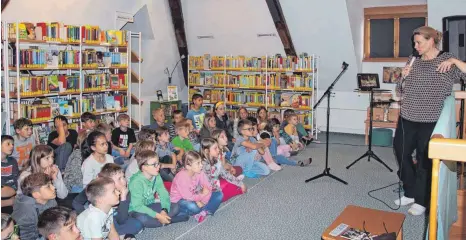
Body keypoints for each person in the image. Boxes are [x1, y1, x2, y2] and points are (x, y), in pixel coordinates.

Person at [393, 26, 466, 216]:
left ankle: (421, 199)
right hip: (407, 116)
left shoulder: (446, 60)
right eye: (414, 42)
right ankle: (409, 191)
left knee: (425, 160)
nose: (415, 46)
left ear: (431, 41)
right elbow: (400, 91)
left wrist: (455, 60)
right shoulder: (413, 59)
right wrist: (403, 77)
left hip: (431, 119)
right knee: (401, 152)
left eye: (419, 42)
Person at [128, 150, 189, 228]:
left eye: (158, 163)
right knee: (143, 219)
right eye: (154, 165)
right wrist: (157, 216)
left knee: (175, 207)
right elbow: (137, 206)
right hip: (137, 210)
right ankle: (169, 220)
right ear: (144, 167)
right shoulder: (136, 181)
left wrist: (164, 210)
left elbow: (164, 194)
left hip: (150, 204)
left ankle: (164, 220)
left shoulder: (156, 175)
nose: (158, 167)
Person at [170, 151, 219, 223]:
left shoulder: (199, 172)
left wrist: (203, 202)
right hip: (179, 200)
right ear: (188, 166)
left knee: (219, 195)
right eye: (198, 163)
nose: (201, 165)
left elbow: (208, 187)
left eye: (201, 162)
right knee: (193, 207)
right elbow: (188, 197)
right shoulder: (182, 177)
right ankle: (201, 211)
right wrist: (203, 195)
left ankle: (201, 212)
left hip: (194, 195)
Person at [13, 173, 58, 240]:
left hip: (46, 230)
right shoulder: (27, 210)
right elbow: (24, 235)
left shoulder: (50, 199)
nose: (54, 187)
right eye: (48, 186)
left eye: (51, 183)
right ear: (36, 194)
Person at [1, 135, 19, 214]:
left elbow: (16, 179)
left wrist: (15, 195)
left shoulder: (13, 161)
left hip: (13, 194)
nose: (11, 146)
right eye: (8, 144)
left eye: (12, 144)